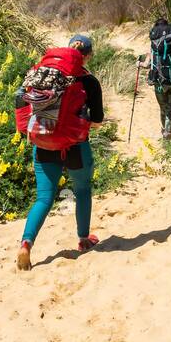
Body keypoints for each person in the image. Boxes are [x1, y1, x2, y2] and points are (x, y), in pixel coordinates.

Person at [14, 33, 104, 271]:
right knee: (82, 190)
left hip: (42, 143)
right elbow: (97, 121)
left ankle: (26, 243)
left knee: (44, 198)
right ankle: (84, 240)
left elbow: (21, 102)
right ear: (86, 56)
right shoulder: (89, 81)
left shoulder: (43, 75)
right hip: (76, 146)